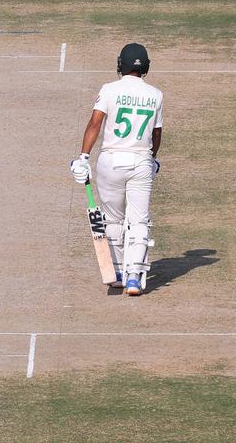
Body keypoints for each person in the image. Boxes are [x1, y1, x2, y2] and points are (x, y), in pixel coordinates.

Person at [69, 43, 163, 296]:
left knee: (113, 218)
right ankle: (134, 277)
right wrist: (152, 158)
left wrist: (83, 157)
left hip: (111, 160)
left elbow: (94, 124)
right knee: (139, 219)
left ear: (120, 64)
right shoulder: (156, 94)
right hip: (141, 162)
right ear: (145, 66)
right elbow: (156, 133)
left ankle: (119, 271)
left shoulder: (109, 90)